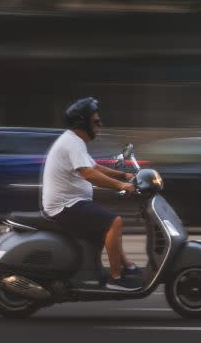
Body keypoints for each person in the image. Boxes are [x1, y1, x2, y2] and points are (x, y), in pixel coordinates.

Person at [41, 97, 141, 290]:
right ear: (83, 123)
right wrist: (122, 185)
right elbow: (90, 175)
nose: (100, 125)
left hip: (72, 202)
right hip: (65, 206)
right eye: (96, 121)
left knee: (107, 223)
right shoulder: (73, 143)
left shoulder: (74, 141)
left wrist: (124, 174)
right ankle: (116, 278)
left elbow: (93, 167)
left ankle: (127, 265)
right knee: (114, 222)